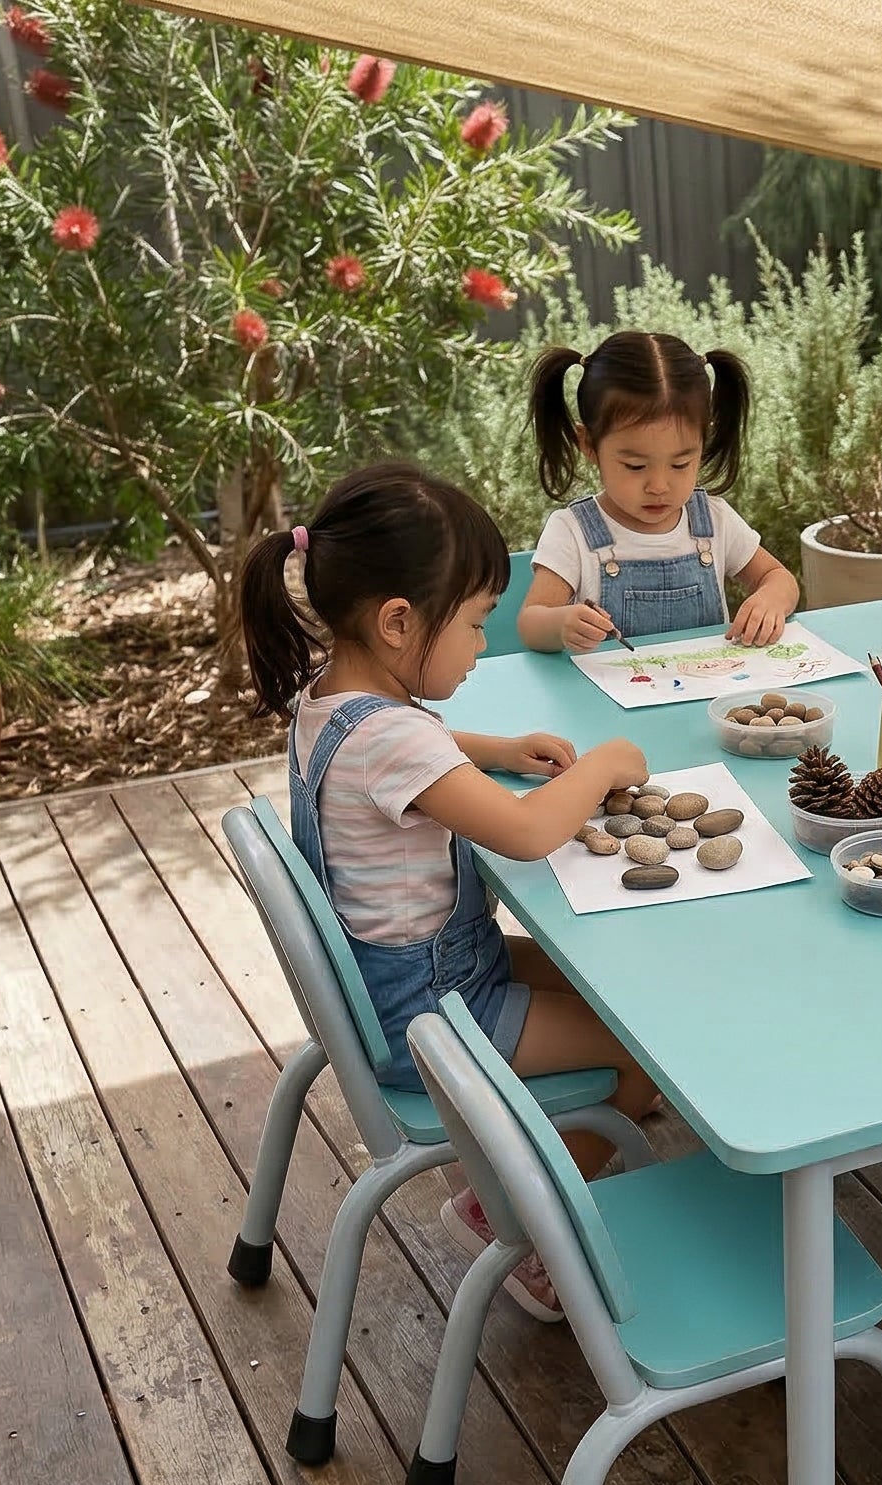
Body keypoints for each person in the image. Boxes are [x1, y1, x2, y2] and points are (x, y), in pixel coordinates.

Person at [243, 462, 661, 1324]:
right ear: (399, 622)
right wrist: (605, 764)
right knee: (648, 1048)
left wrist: (495, 751)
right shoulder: (392, 741)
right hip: (430, 1012)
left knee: (606, 982)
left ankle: (542, 1168)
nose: (482, 645)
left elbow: (407, 745)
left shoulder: (330, 699)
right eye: (474, 624)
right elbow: (527, 833)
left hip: (403, 985)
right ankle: (523, 1229)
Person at [519, 330, 799, 653]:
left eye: (680, 464)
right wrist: (560, 625)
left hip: (708, 680)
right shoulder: (574, 531)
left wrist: (771, 598)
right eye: (636, 466)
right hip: (611, 685)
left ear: (702, 443)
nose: (658, 486)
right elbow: (530, 623)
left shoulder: (712, 520)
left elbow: (779, 577)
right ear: (589, 445)